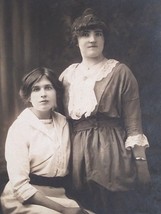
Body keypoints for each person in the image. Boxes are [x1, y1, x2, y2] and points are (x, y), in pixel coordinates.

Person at [59, 8, 151, 214]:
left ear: (104, 39)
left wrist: (141, 164)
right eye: (85, 34)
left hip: (111, 151)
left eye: (98, 34)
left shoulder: (120, 72)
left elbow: (134, 124)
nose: (92, 39)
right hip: (76, 154)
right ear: (76, 40)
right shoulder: (67, 76)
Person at [0, 67, 90, 214]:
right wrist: (63, 210)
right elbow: (20, 187)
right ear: (28, 96)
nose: (43, 94)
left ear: (57, 93)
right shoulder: (20, 128)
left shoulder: (64, 123)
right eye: (36, 89)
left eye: (48, 88)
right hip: (25, 198)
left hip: (59, 195)